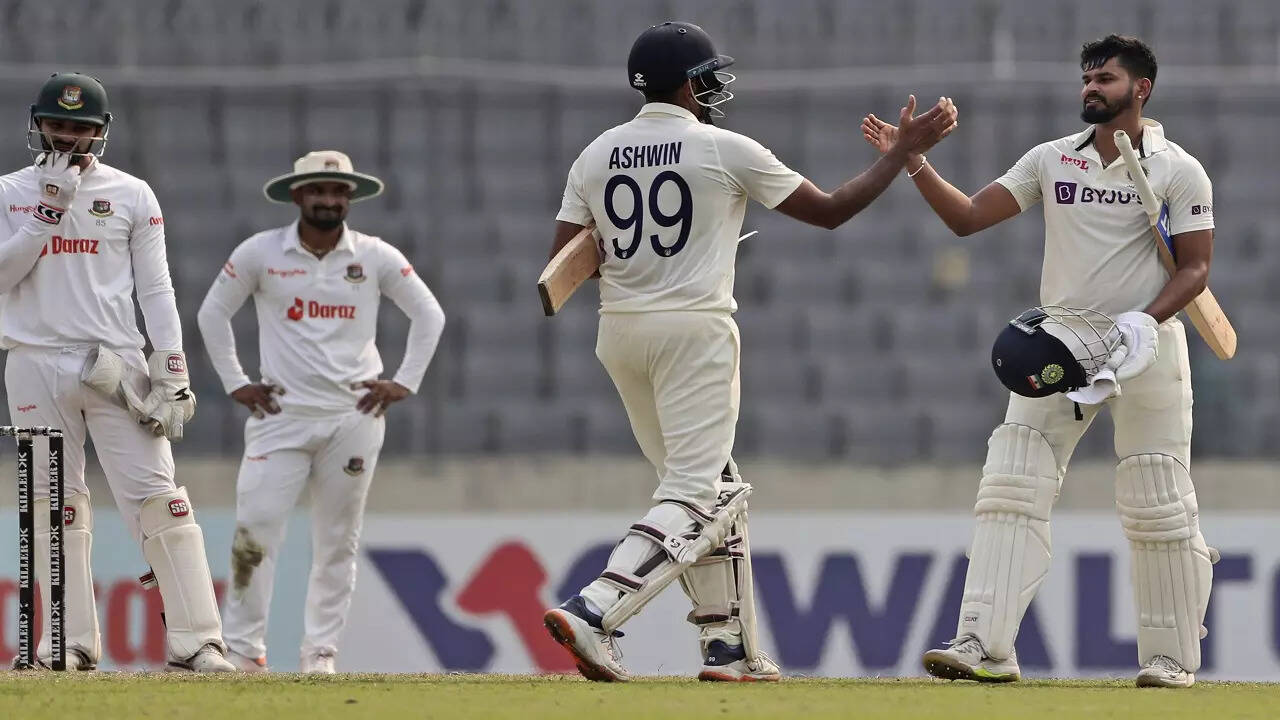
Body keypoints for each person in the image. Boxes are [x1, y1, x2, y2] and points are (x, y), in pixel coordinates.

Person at [542, 21, 957, 682]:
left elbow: (565, 260)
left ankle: (729, 648)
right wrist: (900, 154)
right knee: (696, 492)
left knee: (714, 488)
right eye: (707, 79)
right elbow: (829, 210)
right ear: (687, 85)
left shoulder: (594, 155)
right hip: (694, 333)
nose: (714, 89)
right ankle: (596, 609)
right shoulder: (722, 147)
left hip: (619, 333)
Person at [861, 35, 1216, 688]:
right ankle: (985, 643)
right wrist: (913, 162)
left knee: (1158, 500)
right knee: (1011, 484)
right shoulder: (1052, 159)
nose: (1091, 87)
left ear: (1140, 89)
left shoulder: (1179, 170)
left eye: (1105, 78)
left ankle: (1169, 659)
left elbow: (1195, 269)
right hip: (1062, 341)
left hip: (1147, 346)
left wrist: (1145, 320)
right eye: (1087, 77)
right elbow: (969, 217)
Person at [0, 73, 232, 671]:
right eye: (57, 124)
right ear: (37, 124)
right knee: (52, 504)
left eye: (80, 128)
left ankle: (198, 643)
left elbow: (156, 287)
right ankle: (69, 645)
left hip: (115, 365)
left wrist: (171, 366)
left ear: (100, 131)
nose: (67, 137)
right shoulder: (8, 192)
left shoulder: (132, 194)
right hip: (32, 361)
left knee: (159, 498)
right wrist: (45, 213)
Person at [196, 150, 445, 674]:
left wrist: (405, 381)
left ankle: (320, 653)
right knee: (254, 532)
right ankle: (243, 650)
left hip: (352, 417)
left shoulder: (374, 255)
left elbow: (429, 313)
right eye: (317, 190)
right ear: (297, 195)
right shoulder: (261, 252)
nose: (328, 200)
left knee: (337, 541)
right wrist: (237, 383)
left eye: (337, 192)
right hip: (280, 416)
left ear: (349, 198)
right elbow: (212, 313)